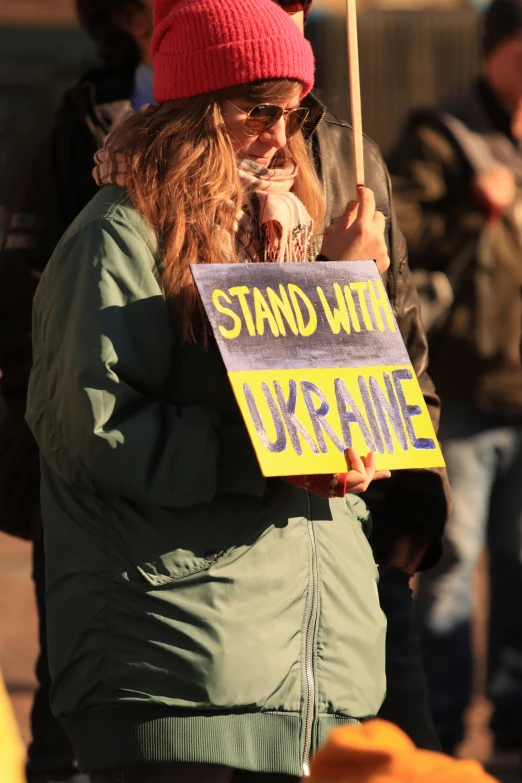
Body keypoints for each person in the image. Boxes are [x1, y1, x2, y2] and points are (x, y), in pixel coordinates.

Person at [26, 0, 393, 779]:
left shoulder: (296, 225)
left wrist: (349, 292)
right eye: (257, 109)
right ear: (192, 110)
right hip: (177, 666)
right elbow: (95, 431)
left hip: (310, 669)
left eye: (293, 113)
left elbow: (323, 421)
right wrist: (263, 456)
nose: (278, 135)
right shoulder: (117, 235)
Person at [278, 1, 449, 751]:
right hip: (258, 562)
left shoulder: (352, 155)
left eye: (300, 5)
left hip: (370, 549)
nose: (289, 20)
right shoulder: (180, 169)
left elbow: (407, 350)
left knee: (402, 758)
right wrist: (336, 278)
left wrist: (412, 511)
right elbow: (256, 361)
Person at [0, 2, 153, 782]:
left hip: (202, 515)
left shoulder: (304, 137)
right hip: (82, 489)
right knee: (68, 723)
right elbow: (28, 327)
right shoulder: (81, 131)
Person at [387, 0, 522, 755]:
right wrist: (474, 208)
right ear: (498, 48)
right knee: (449, 566)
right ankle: (433, 735)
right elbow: (392, 234)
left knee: (521, 563)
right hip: (466, 392)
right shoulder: (439, 131)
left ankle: (512, 727)